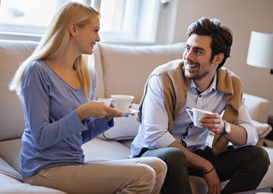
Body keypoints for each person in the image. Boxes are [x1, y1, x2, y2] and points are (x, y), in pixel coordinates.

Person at [9, 2, 167, 194]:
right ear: (73, 28)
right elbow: (41, 138)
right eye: (95, 30)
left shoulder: (87, 75)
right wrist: (81, 112)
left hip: (74, 162)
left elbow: (79, 137)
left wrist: (107, 118)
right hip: (43, 168)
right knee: (145, 175)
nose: (98, 38)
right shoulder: (37, 71)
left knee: (159, 167)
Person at [130, 17, 270, 194]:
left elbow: (250, 135)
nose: (188, 57)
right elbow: (155, 137)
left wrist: (224, 127)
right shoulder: (162, 79)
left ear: (217, 58)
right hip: (154, 154)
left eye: (197, 51)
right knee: (174, 156)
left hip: (196, 152)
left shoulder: (231, 85)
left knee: (258, 156)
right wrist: (206, 165)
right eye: (187, 48)